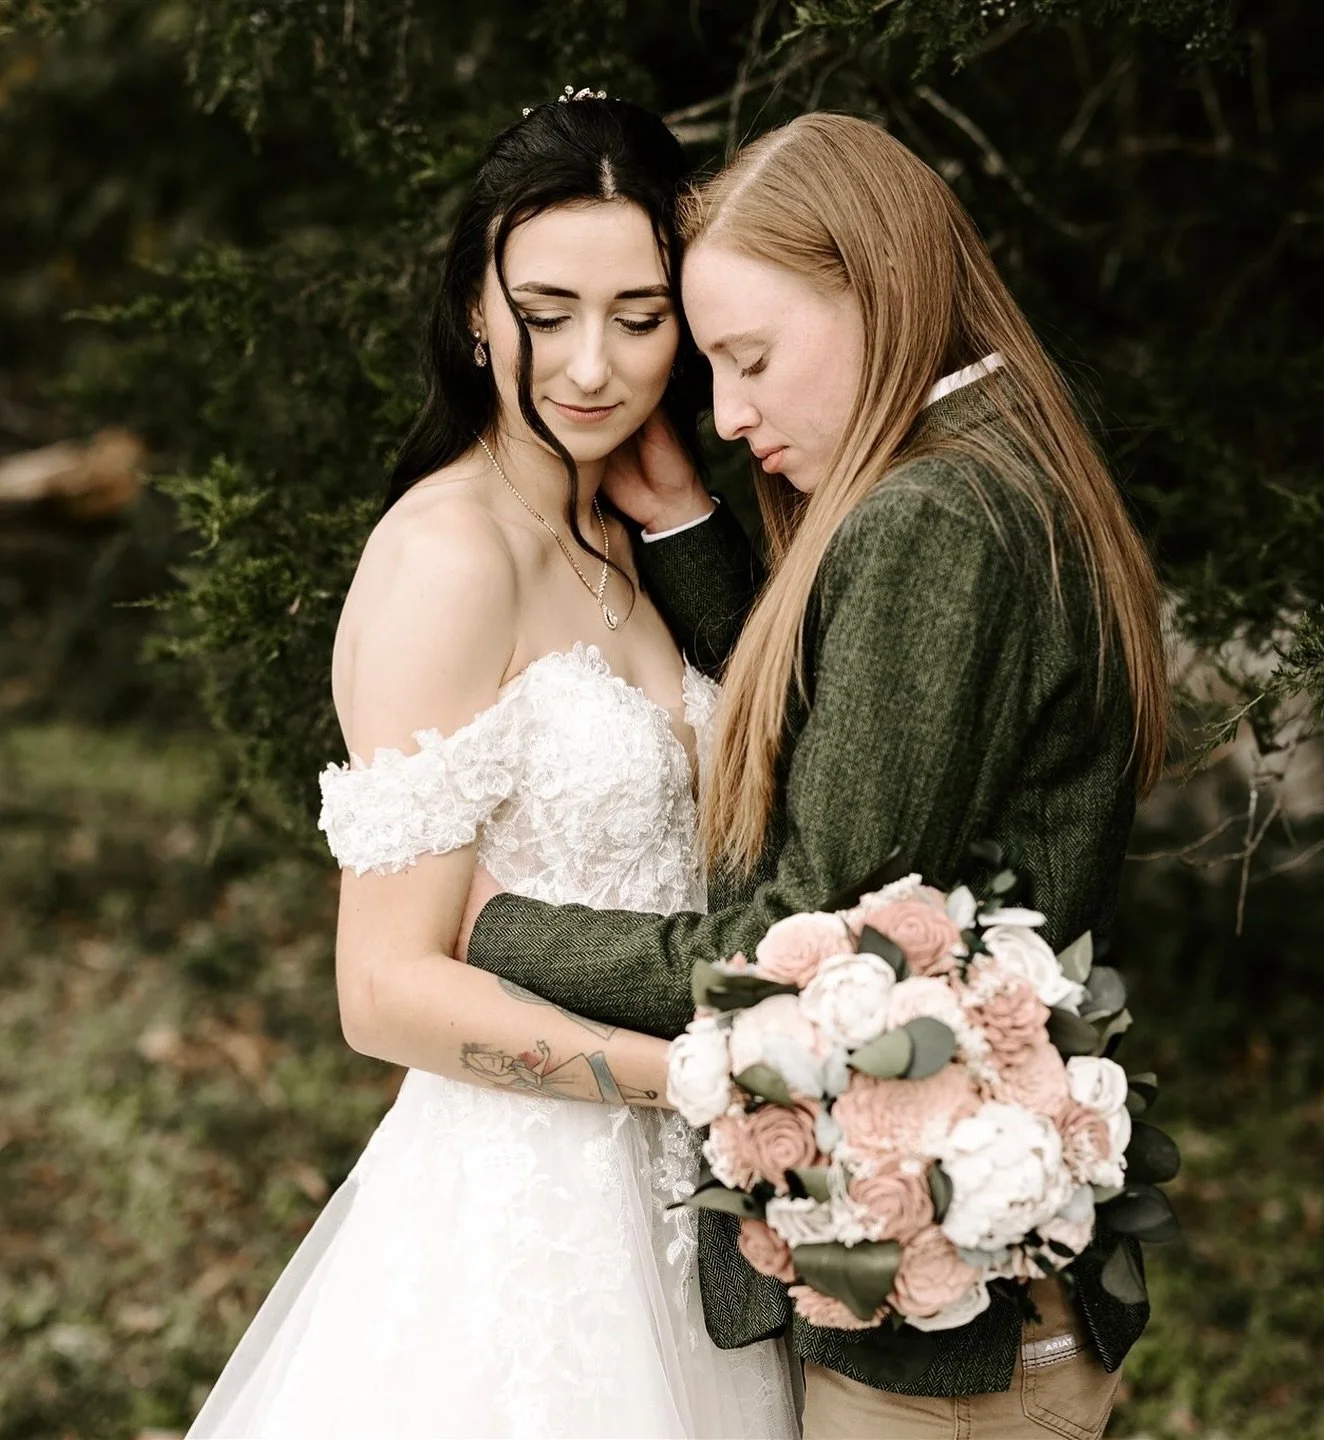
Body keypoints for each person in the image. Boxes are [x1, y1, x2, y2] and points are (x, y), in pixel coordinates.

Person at [466, 112, 1170, 1439]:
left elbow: (793, 943)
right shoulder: (997, 468)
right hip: (1014, 1314)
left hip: (936, 1349)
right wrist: (685, 529)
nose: (728, 415)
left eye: (750, 358)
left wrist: (501, 927)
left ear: (875, 286)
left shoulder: (932, 522)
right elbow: (870, 734)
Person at [187, 93, 799, 1440]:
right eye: (545, 310)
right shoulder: (447, 559)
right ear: (476, 305)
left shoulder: (626, 522)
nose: (592, 365)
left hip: (697, 1199)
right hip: (529, 1205)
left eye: (641, 319)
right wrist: (696, 1078)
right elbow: (383, 989)